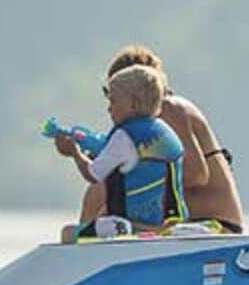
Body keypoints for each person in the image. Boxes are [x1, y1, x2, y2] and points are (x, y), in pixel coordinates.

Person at [60, 46, 245, 233]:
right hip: (179, 224)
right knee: (103, 192)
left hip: (213, 225)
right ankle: (90, 243)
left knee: (100, 190)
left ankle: (86, 244)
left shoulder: (169, 108)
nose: (110, 105)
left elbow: (196, 175)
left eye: (114, 96)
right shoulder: (143, 124)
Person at [56, 64, 184, 237]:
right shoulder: (166, 132)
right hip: (169, 225)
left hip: (135, 227)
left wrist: (74, 152)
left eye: (113, 101)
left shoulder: (124, 136)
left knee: (68, 233)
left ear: (134, 104)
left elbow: (92, 174)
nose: (109, 108)